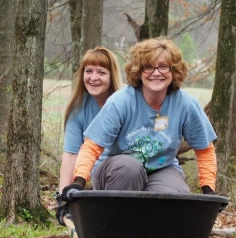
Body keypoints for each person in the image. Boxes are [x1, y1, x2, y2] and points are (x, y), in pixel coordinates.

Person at [60, 37, 217, 203]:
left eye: (163, 67)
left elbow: (205, 149)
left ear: (173, 71)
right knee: (130, 168)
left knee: (174, 196)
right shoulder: (121, 101)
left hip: (162, 170)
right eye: (148, 67)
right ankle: (115, 224)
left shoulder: (186, 104)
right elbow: (92, 146)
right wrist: (78, 182)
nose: (156, 73)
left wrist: (208, 189)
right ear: (139, 71)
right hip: (116, 169)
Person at [55, 46, 123, 225]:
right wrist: (63, 198)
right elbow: (70, 155)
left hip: (126, 173)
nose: (93, 77)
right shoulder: (78, 109)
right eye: (89, 71)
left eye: (101, 72)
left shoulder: (124, 104)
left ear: (112, 76)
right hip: (95, 174)